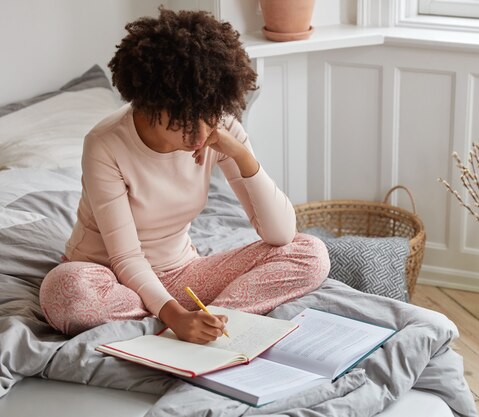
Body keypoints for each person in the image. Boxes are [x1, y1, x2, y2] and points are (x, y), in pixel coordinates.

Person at [39, 7, 330, 344]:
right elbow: (126, 257)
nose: (200, 132)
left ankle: (216, 321)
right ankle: (177, 322)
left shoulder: (219, 129)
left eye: (209, 115)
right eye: (184, 119)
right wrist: (175, 315)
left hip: (182, 275)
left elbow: (280, 234)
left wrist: (243, 156)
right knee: (67, 292)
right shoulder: (105, 144)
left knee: (310, 253)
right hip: (108, 278)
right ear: (150, 102)